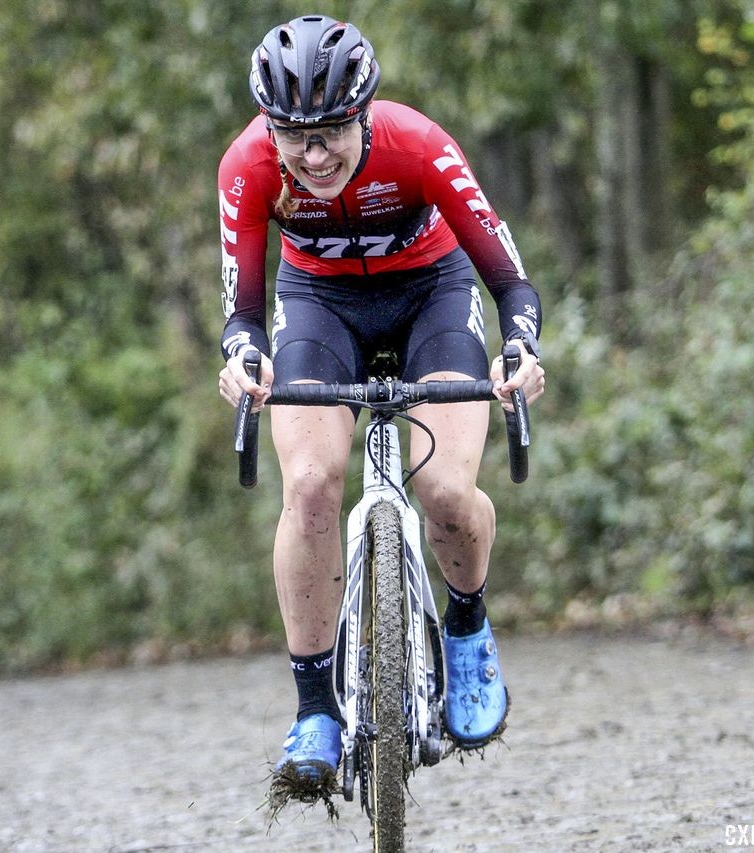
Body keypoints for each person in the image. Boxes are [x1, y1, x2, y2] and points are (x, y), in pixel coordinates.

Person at [216, 14, 545, 783]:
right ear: (271, 127)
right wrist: (242, 357)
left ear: (364, 113)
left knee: (446, 491)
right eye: (295, 136)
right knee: (309, 485)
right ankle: (313, 711)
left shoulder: (418, 144)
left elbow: (510, 279)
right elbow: (242, 308)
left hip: (433, 291)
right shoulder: (247, 165)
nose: (316, 154)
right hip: (317, 306)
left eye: (332, 131)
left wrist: (521, 347)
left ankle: (465, 627)